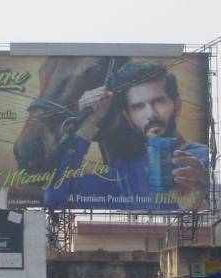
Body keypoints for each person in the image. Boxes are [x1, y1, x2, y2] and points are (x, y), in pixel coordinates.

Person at [45, 61, 210, 211]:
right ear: (128, 118)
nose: (151, 114)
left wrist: (199, 207)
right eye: (138, 107)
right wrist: (88, 124)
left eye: (159, 101)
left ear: (178, 106)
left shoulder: (205, 161)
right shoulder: (122, 175)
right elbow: (55, 200)